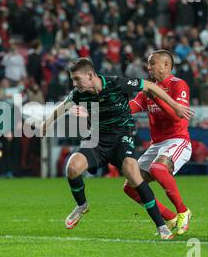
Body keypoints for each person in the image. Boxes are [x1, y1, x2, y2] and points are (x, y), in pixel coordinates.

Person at [40, 58, 194, 239]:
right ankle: (82, 206)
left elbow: (149, 86)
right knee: (72, 168)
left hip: (122, 137)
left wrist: (175, 105)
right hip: (98, 139)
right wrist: (46, 124)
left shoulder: (116, 83)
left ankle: (162, 226)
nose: (74, 83)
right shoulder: (79, 93)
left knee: (133, 174)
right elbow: (62, 107)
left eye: (76, 79)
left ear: (90, 75)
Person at [127, 50, 192, 235]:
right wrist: (104, 108)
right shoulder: (148, 88)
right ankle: (170, 216)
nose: (149, 67)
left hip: (178, 140)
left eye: (152, 63)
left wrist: (154, 95)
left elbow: (176, 116)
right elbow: (130, 108)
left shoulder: (178, 85)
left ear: (166, 65)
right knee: (131, 184)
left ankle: (183, 211)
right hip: (157, 145)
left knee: (158, 169)